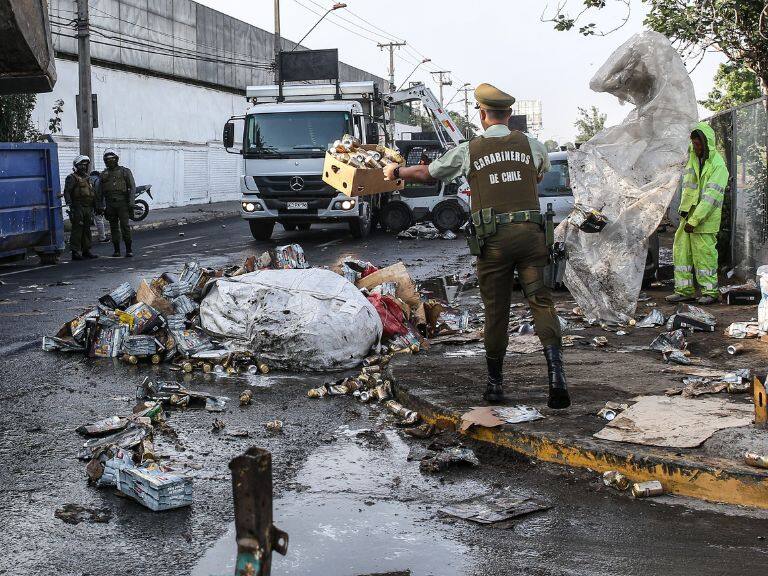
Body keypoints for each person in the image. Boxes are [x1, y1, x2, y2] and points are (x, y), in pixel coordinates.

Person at [383, 83, 570, 409]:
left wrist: (395, 170)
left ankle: (495, 386)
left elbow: (429, 174)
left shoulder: (469, 149)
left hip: (494, 241)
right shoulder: (532, 144)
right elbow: (538, 176)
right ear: (509, 115)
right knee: (541, 302)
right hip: (531, 236)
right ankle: (557, 378)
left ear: (483, 115)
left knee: (496, 311)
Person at [666, 121, 728, 305]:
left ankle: (710, 292)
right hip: (688, 216)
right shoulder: (693, 156)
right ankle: (684, 290)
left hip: (704, 220)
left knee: (705, 255)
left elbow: (710, 198)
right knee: (681, 252)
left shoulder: (718, 167)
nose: (695, 146)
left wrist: (695, 219)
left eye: (698, 143)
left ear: (706, 143)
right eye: (693, 143)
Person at [99, 149, 136, 257]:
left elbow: (132, 187)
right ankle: (117, 250)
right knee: (113, 227)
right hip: (110, 204)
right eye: (107, 160)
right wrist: (101, 206)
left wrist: (131, 202)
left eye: (112, 159)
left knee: (125, 226)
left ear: (116, 159)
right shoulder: (104, 174)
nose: (110, 161)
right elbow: (100, 191)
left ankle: (129, 250)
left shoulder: (125, 171)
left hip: (123, 203)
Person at [63, 155, 98, 261]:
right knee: (77, 230)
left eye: (85, 165)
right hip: (78, 207)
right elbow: (67, 192)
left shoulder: (88, 178)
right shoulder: (72, 178)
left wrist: (96, 206)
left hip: (88, 207)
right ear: (77, 166)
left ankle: (86, 250)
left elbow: (92, 192)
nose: (84, 167)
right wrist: (70, 205)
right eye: (82, 165)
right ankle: (75, 252)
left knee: (87, 229)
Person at [89, 170, 109, 243]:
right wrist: (101, 206)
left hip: (87, 204)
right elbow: (99, 195)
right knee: (99, 220)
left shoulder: (87, 180)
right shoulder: (98, 181)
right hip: (97, 204)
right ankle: (102, 238)